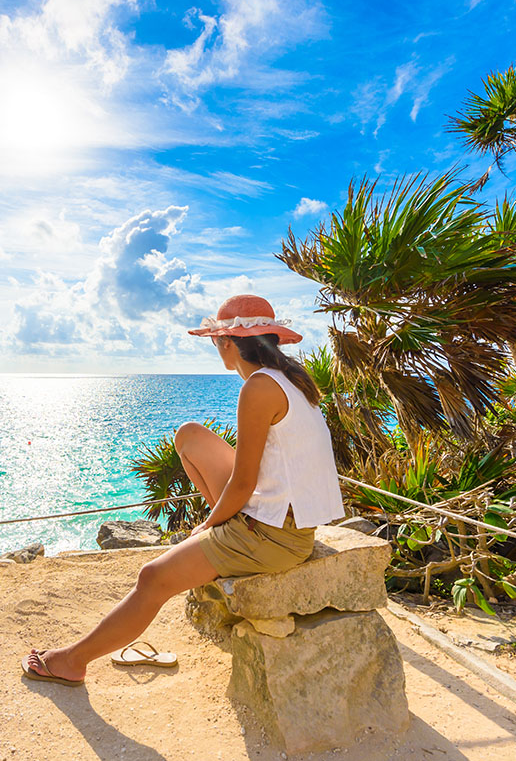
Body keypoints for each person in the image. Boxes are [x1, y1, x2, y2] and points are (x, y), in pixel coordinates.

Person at [21, 294, 345, 686]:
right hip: (283, 520)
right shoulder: (289, 379)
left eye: (215, 341)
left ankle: (71, 661)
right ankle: (223, 537)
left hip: (273, 536)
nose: (215, 349)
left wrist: (208, 525)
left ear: (228, 343)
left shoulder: (258, 389)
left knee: (152, 578)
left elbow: (243, 482)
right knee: (189, 435)